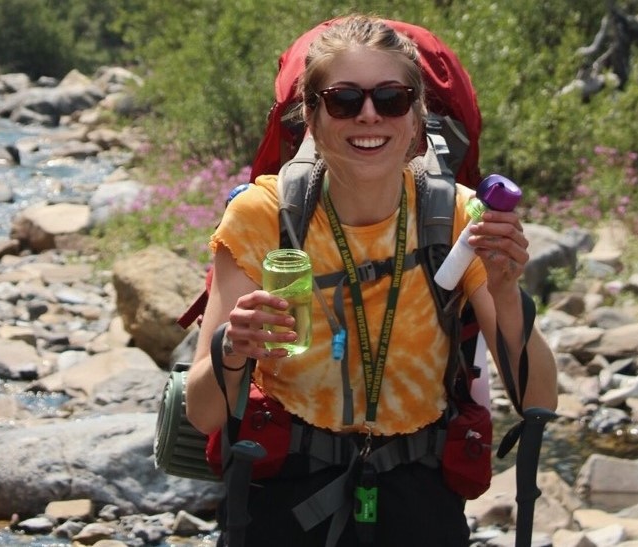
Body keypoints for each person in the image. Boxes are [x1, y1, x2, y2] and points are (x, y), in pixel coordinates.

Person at [185, 14, 558, 547]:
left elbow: (539, 399)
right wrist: (235, 349)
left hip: (419, 499)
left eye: (391, 99)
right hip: (284, 497)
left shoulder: (455, 217)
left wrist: (504, 290)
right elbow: (203, 414)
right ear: (310, 117)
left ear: (416, 118)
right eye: (342, 100)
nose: (368, 116)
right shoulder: (264, 215)